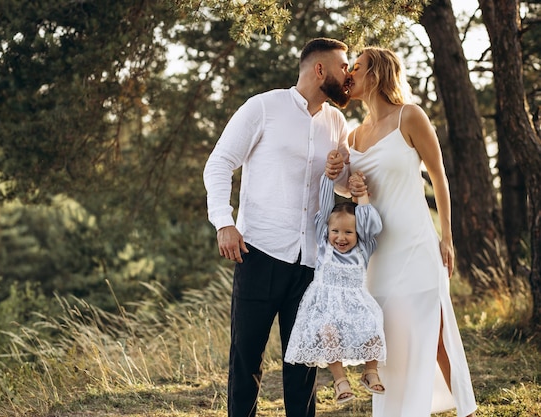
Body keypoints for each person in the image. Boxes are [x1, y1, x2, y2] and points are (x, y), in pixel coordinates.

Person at [203, 37, 352, 417]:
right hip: (259, 253)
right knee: (246, 359)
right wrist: (224, 221)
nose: (348, 74)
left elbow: (342, 184)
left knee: (303, 364)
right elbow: (219, 162)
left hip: (311, 261)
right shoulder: (264, 107)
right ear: (320, 69)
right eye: (343, 65)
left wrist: (340, 174)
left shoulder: (337, 121)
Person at [345, 46, 477, 416]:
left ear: (376, 74)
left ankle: (467, 411)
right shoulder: (354, 137)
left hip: (417, 244)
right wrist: (340, 174)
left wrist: (447, 237)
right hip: (378, 255)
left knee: (434, 335)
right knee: (389, 340)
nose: (350, 73)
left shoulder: (410, 116)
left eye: (358, 66)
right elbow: (349, 187)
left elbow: (439, 177)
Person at [284, 171, 386, 405]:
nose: (341, 237)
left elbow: (372, 223)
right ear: (327, 230)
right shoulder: (323, 242)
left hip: (356, 304)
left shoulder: (364, 246)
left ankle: (370, 371)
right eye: (336, 231)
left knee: (373, 329)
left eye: (349, 232)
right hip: (326, 305)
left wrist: (361, 194)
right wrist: (329, 177)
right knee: (330, 335)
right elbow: (325, 203)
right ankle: (340, 381)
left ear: (358, 233)